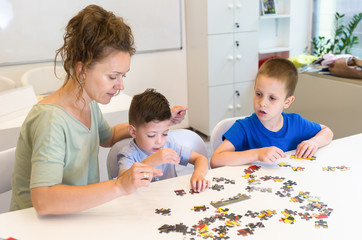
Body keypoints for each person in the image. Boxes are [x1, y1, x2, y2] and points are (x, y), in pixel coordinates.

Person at [10, 5, 187, 215]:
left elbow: (109, 136)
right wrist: (119, 185)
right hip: (38, 227)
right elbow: (44, 201)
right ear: (82, 70)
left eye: (123, 76)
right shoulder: (50, 120)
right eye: (113, 77)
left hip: (78, 216)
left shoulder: (88, 103)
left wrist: (154, 125)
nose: (120, 85)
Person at [211, 58, 333, 168]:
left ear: (287, 101)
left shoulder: (296, 123)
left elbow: (327, 131)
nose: (262, 103)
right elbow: (216, 160)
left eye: (272, 98)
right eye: (259, 94)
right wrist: (257, 154)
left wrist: (314, 142)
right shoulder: (243, 127)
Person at [116, 89, 209, 192]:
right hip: (141, 203)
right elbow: (122, 182)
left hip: (170, 198)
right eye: (151, 135)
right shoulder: (128, 154)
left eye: (164, 133)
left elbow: (200, 159)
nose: (159, 141)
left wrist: (198, 174)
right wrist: (152, 161)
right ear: (133, 132)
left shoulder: (169, 145)